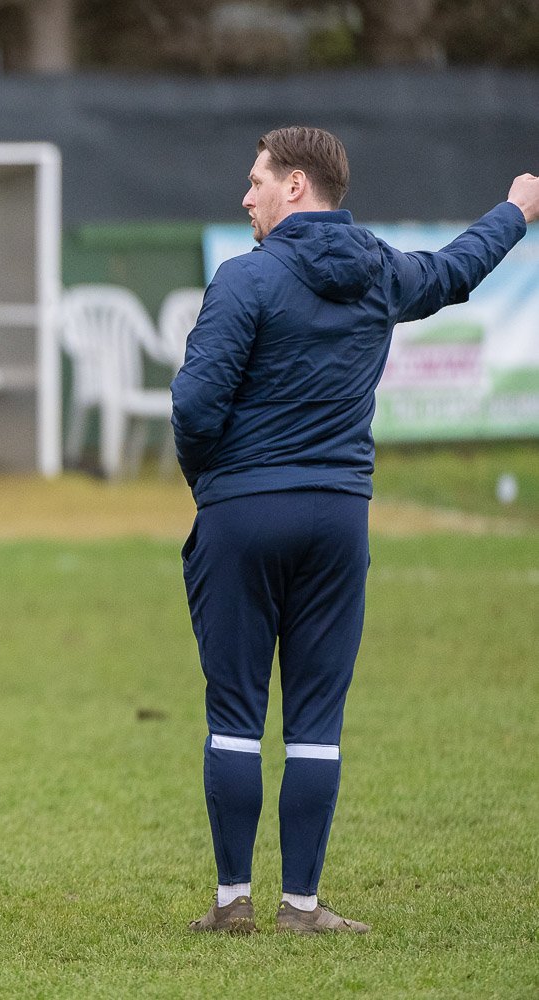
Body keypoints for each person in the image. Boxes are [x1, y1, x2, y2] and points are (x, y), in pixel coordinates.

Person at [172, 126, 539, 936]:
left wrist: (214, 485)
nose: (246, 197)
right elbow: (453, 271)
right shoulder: (380, 272)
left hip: (243, 511)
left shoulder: (244, 279)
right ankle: (302, 906)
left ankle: (233, 902)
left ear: (296, 185)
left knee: (235, 710)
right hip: (339, 515)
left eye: (256, 181)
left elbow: (194, 408)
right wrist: (515, 210)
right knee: (316, 718)